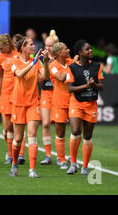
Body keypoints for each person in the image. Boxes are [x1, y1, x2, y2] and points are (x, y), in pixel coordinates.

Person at [9, 36, 49, 178]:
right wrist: (34, 62)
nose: (34, 46)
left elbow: (45, 77)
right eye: (31, 44)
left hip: (33, 103)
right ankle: (14, 164)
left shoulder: (37, 62)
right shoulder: (14, 61)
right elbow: (19, 74)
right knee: (18, 139)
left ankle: (32, 170)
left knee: (32, 135)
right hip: (18, 103)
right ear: (23, 48)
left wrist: (46, 63)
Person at [65, 39, 104, 175]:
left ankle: (85, 166)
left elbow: (102, 86)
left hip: (91, 104)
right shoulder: (72, 68)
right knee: (76, 131)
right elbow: (70, 88)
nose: (90, 51)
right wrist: (86, 86)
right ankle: (73, 163)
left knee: (87, 136)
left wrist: (93, 85)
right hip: (76, 103)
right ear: (80, 53)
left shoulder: (97, 66)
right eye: (87, 49)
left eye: (90, 49)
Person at [0, 34, 21, 164]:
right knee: (6, 127)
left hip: (17, 94)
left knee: (17, 125)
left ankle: (15, 155)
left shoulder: (18, 53)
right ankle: (10, 153)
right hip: (5, 94)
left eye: (1, 48)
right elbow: (0, 75)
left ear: (7, 45)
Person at [49, 41, 72, 169]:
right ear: (59, 53)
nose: (68, 50)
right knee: (60, 132)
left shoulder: (71, 62)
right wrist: (71, 66)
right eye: (65, 49)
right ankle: (61, 159)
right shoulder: (53, 65)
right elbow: (61, 77)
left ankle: (72, 158)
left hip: (73, 101)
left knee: (76, 131)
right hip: (59, 101)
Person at [38, 30, 59, 166]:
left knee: (58, 124)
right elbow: (42, 79)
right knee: (45, 124)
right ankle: (47, 155)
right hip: (46, 92)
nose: (47, 48)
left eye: (50, 46)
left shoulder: (62, 58)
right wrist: (46, 63)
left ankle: (60, 155)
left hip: (58, 94)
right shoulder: (40, 59)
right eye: (46, 45)